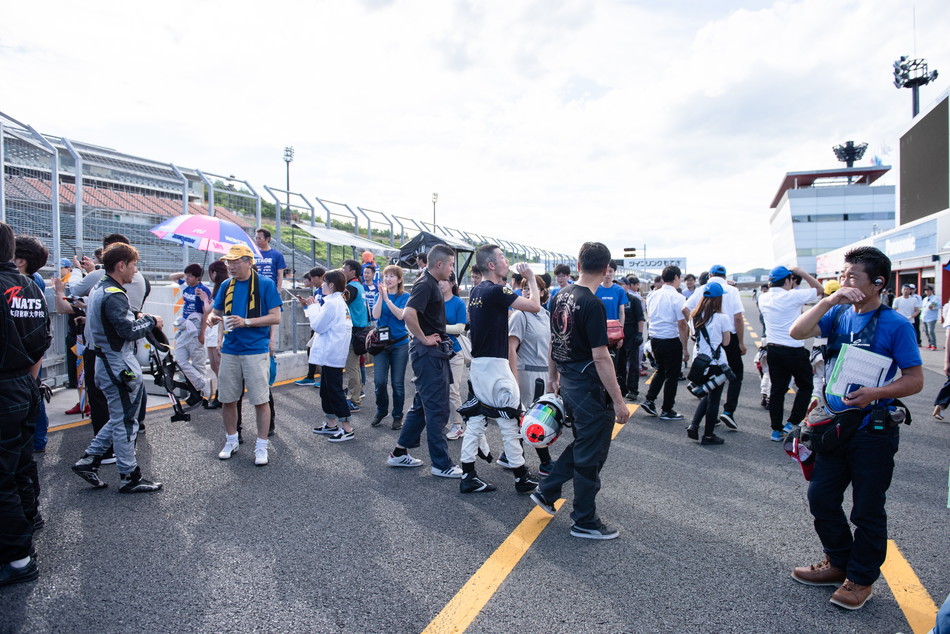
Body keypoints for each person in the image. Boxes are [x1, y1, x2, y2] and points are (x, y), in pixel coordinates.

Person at [789, 246, 923, 611]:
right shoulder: (840, 314)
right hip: (833, 425)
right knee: (821, 497)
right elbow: (797, 330)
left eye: (853, 278)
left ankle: (861, 578)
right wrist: (829, 301)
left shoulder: (895, 324)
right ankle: (838, 562)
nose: (845, 282)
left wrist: (877, 393)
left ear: (877, 284)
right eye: (843, 275)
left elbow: (915, 380)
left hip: (872, 430)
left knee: (866, 508)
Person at [531, 242, 630, 539]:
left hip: (568, 379)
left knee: (585, 444)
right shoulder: (592, 304)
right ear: (605, 269)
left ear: (577, 264)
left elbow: (553, 339)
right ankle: (584, 519)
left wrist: (553, 377)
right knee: (592, 451)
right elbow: (601, 357)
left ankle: (547, 491)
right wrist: (619, 402)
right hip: (588, 385)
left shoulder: (560, 296)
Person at [70, 243, 164, 493]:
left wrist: (137, 315)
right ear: (121, 265)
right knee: (126, 422)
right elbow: (128, 331)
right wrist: (150, 320)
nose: (135, 271)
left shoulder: (101, 288)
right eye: (134, 265)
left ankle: (89, 460)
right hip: (117, 364)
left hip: (105, 362)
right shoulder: (114, 293)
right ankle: (129, 475)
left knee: (120, 418)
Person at [458, 244, 541, 494]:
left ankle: (468, 474)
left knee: (476, 420)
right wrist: (532, 280)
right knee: (510, 422)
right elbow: (534, 306)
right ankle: (520, 477)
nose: (507, 261)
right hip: (496, 367)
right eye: (503, 257)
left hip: (479, 366)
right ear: (491, 265)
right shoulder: (497, 289)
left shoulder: (477, 290)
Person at [0, 223, 51, 586]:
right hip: (25, 385)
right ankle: (29, 519)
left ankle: (18, 559)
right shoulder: (32, 286)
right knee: (20, 463)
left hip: (5, 387)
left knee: (3, 475)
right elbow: (42, 340)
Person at [385, 244, 463, 479]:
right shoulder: (426, 283)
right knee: (437, 409)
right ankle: (441, 464)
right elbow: (408, 314)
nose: (452, 269)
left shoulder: (427, 282)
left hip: (431, 354)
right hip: (428, 354)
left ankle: (399, 452)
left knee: (421, 405)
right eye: (450, 264)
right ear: (439, 264)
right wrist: (424, 338)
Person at [208, 244, 283, 466]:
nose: (230, 265)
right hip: (231, 348)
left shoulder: (265, 284)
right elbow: (217, 311)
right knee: (228, 399)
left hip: (255, 349)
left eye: (235, 261)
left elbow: (275, 317)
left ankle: (261, 446)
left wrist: (247, 322)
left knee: (260, 400)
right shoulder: (225, 285)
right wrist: (213, 318)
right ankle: (231, 440)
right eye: (228, 262)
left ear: (249, 262)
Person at [758, 266, 823, 442]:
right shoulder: (792, 296)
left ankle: (776, 430)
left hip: (773, 349)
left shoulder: (763, 297)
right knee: (806, 386)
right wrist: (802, 272)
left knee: (778, 390)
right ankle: (792, 422)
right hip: (794, 350)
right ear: (788, 280)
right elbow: (819, 290)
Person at [684, 264, 746, 430]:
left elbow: (686, 309)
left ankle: (696, 421)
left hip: (703, 344)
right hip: (726, 340)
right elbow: (738, 318)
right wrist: (740, 342)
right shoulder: (731, 293)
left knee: (711, 384)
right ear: (725, 276)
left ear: (710, 275)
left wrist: (693, 332)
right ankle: (727, 412)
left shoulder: (700, 294)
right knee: (734, 375)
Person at [507, 274, 555, 475]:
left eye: (532, 288)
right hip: (526, 374)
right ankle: (545, 462)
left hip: (544, 374)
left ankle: (509, 456)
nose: (527, 292)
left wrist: (555, 376)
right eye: (525, 288)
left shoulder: (545, 315)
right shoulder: (520, 315)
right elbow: (511, 348)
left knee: (536, 419)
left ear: (542, 293)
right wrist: (514, 379)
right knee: (532, 420)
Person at [307, 270, 355, 441]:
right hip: (332, 353)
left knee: (333, 391)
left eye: (324, 281)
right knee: (327, 390)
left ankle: (347, 428)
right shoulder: (337, 302)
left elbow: (318, 326)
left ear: (332, 284)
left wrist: (312, 307)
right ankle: (331, 423)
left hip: (331, 353)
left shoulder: (333, 303)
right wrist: (315, 307)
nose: (321, 284)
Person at [686, 283, 732, 445]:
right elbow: (726, 342)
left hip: (699, 362)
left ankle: (693, 425)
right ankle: (708, 435)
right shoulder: (722, 318)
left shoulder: (694, 316)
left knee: (706, 394)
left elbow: (693, 336)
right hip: (716, 363)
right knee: (714, 399)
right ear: (718, 299)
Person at [641, 266, 689, 420]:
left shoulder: (653, 294)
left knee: (661, 370)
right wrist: (685, 348)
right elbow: (682, 324)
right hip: (670, 338)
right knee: (672, 375)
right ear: (676, 277)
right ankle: (667, 409)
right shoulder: (678, 298)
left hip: (654, 338)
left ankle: (649, 400)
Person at [371, 265, 411, 430]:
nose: (388, 279)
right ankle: (381, 411)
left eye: (392, 276)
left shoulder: (405, 296)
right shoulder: (378, 295)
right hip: (381, 344)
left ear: (399, 279)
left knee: (397, 383)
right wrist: (381, 297)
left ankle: (397, 415)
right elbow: (375, 315)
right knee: (379, 381)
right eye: (386, 276)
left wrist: (388, 299)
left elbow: (401, 315)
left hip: (400, 344)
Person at [168, 264, 212, 404]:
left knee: (198, 363)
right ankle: (202, 384)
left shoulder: (203, 290)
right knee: (180, 360)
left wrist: (202, 333)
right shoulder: (186, 286)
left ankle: (199, 395)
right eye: (186, 275)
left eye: (190, 276)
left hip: (196, 326)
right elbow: (172, 277)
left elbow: (206, 312)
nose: (186, 278)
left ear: (198, 278)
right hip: (185, 325)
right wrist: (187, 273)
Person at [441, 273, 468, 440]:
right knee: (438, 389)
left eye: (444, 280)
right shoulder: (433, 301)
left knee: (452, 390)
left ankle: (457, 425)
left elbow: (460, 328)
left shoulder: (458, 302)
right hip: (437, 351)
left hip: (454, 352)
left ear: (452, 283)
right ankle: (442, 421)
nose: (441, 283)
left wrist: (440, 328)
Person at [341, 259, 369, 412]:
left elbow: (340, 304)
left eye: (344, 268)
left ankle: (354, 399)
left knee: (352, 367)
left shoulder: (350, 288)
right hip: (361, 330)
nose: (342, 270)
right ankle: (356, 394)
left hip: (354, 332)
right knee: (356, 366)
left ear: (352, 272)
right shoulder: (359, 286)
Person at [202, 260, 228, 409]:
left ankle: (221, 395)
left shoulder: (222, 287)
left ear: (214, 273)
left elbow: (209, 309)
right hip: (213, 328)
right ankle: (221, 394)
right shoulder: (218, 287)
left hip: (217, 327)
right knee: (214, 364)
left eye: (211, 272)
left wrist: (205, 299)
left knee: (218, 365)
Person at [295, 266, 326, 387]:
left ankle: (323, 379)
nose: (311, 281)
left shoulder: (327, 291)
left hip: (323, 327)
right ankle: (310, 376)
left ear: (320, 277)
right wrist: (305, 305)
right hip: (316, 326)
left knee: (322, 353)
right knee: (311, 350)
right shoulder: (317, 291)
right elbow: (312, 310)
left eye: (313, 278)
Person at [617, 275, 645, 402]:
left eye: (622, 284)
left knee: (633, 364)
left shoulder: (634, 300)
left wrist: (639, 334)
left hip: (632, 334)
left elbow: (640, 318)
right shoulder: (615, 299)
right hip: (618, 335)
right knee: (619, 363)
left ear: (627, 286)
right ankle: (622, 389)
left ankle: (633, 390)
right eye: (617, 284)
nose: (619, 286)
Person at [921, 285, 940, 350]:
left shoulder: (935, 298)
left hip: (932, 318)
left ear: (932, 291)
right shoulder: (924, 299)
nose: (927, 291)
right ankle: (930, 343)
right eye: (926, 290)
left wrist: (933, 307)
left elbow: (939, 306)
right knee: (926, 331)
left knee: (930, 331)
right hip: (925, 317)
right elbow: (922, 308)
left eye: (928, 290)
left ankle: (933, 345)